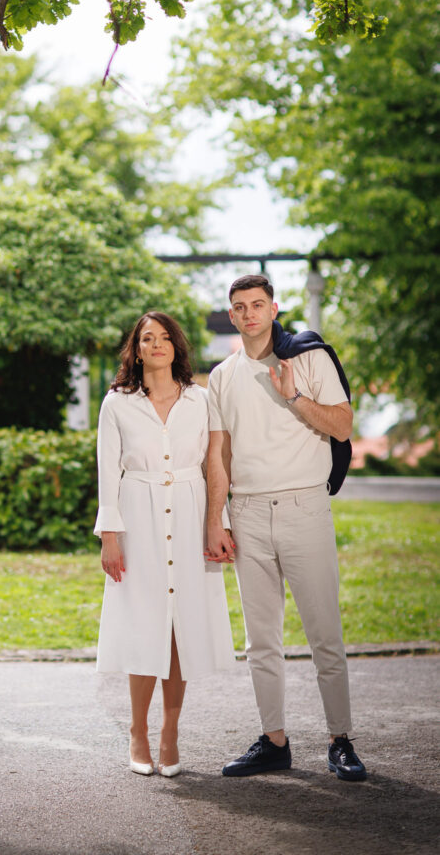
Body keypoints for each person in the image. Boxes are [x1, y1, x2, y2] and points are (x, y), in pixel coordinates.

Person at [206, 274, 367, 782]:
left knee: (324, 633)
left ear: (274, 309)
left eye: (258, 304)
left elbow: (342, 427)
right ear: (231, 316)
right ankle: (274, 741)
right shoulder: (221, 375)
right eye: (239, 307)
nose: (249, 313)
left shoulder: (308, 358)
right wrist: (217, 518)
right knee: (261, 640)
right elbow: (219, 454)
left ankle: (340, 740)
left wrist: (294, 395)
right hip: (248, 512)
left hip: (304, 505)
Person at [95, 311, 236, 777]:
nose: (156, 344)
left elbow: (214, 462)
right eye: (146, 338)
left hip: (191, 510)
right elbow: (107, 471)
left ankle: (169, 732)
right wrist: (109, 536)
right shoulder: (116, 403)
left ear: (176, 346)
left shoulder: (201, 399)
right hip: (138, 516)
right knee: (144, 624)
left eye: (164, 337)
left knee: (181, 629)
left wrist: (218, 522)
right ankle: (138, 730)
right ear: (135, 350)